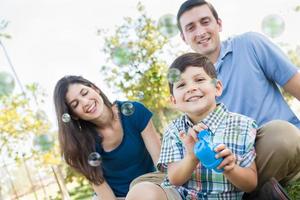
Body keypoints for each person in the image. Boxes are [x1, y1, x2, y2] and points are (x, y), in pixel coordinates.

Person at [176, 0, 300, 191]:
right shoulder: (189, 86)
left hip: (278, 144)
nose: (200, 32)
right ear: (184, 37)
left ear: (219, 24)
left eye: (205, 21)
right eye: (191, 27)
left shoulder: (250, 44)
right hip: (233, 163)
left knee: (284, 135)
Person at [127, 53, 258, 200]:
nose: (191, 88)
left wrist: (230, 168)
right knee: (141, 192)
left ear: (218, 88)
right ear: (173, 100)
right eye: (182, 85)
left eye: (200, 80)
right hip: (184, 197)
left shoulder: (242, 125)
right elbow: (174, 178)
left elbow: (251, 183)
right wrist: (191, 157)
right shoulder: (174, 130)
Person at [53, 75, 161, 200]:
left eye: (85, 93)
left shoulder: (135, 111)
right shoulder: (84, 145)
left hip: (150, 187)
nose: (85, 102)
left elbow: (159, 160)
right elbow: (103, 191)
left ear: (95, 88)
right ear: (74, 116)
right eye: (75, 104)